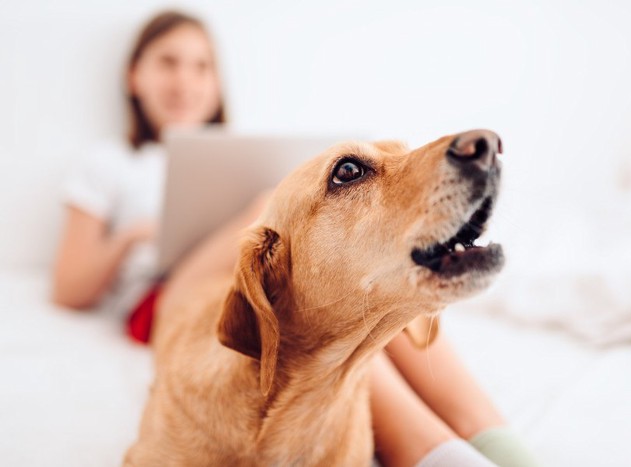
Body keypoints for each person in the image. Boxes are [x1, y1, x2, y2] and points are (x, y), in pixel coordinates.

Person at [52, 10, 537, 467]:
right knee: (317, 304)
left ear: (216, 83)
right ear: (134, 76)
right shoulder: (109, 162)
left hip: (280, 269)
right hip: (169, 289)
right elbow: (69, 286)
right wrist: (137, 236)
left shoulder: (241, 151)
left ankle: (499, 442)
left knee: (371, 301)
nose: (185, 80)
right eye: (168, 63)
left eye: (201, 66)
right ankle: (437, 452)